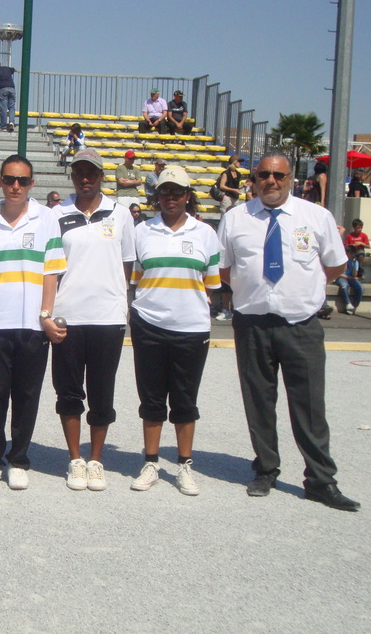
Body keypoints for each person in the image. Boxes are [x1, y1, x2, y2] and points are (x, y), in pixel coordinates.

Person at [217, 151, 360, 511]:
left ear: (291, 178)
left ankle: (320, 480)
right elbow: (224, 270)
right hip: (253, 325)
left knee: (310, 405)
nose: (271, 182)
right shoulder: (236, 219)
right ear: (253, 179)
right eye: (263, 175)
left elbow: (335, 265)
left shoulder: (316, 217)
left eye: (279, 176)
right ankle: (266, 469)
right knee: (259, 403)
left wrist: (301, 293)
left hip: (301, 326)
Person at [0, 156, 66, 491]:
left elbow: (51, 273)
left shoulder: (47, 219)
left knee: (26, 395)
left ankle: (19, 460)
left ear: (32, 184)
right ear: (0, 181)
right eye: (10, 179)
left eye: (23, 181)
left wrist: (45, 315)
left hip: (31, 323)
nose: (15, 186)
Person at [128, 166, 220, 496]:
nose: (171, 197)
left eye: (177, 192)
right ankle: (151, 462)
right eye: (165, 191)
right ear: (157, 195)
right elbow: (135, 279)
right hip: (149, 323)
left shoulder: (206, 234)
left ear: (187, 196)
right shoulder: (142, 232)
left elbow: (211, 284)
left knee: (184, 399)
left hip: (192, 327)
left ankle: (184, 466)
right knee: (151, 398)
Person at [51, 150, 135, 492]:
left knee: (102, 392)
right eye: (79, 172)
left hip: (107, 317)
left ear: (102, 176)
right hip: (67, 315)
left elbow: (126, 264)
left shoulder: (122, 213)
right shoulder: (56, 213)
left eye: (92, 173)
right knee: (68, 391)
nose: (85, 178)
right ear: (72, 176)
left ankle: (96, 459)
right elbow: (51, 268)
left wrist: (118, 303)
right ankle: (75, 459)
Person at [335, 244, 364, 315]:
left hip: (350, 277)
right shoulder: (341, 261)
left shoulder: (355, 262)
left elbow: (354, 275)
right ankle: (348, 303)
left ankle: (354, 306)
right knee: (344, 286)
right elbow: (338, 274)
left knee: (360, 288)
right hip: (342, 277)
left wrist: (354, 265)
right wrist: (350, 277)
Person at [0, 58, 17, 132]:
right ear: (0, 63)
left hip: (3, 89)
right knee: (12, 107)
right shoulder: (7, 69)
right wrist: (13, 70)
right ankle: (11, 122)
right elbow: (14, 69)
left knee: (3, 108)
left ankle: (3, 126)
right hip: (12, 88)